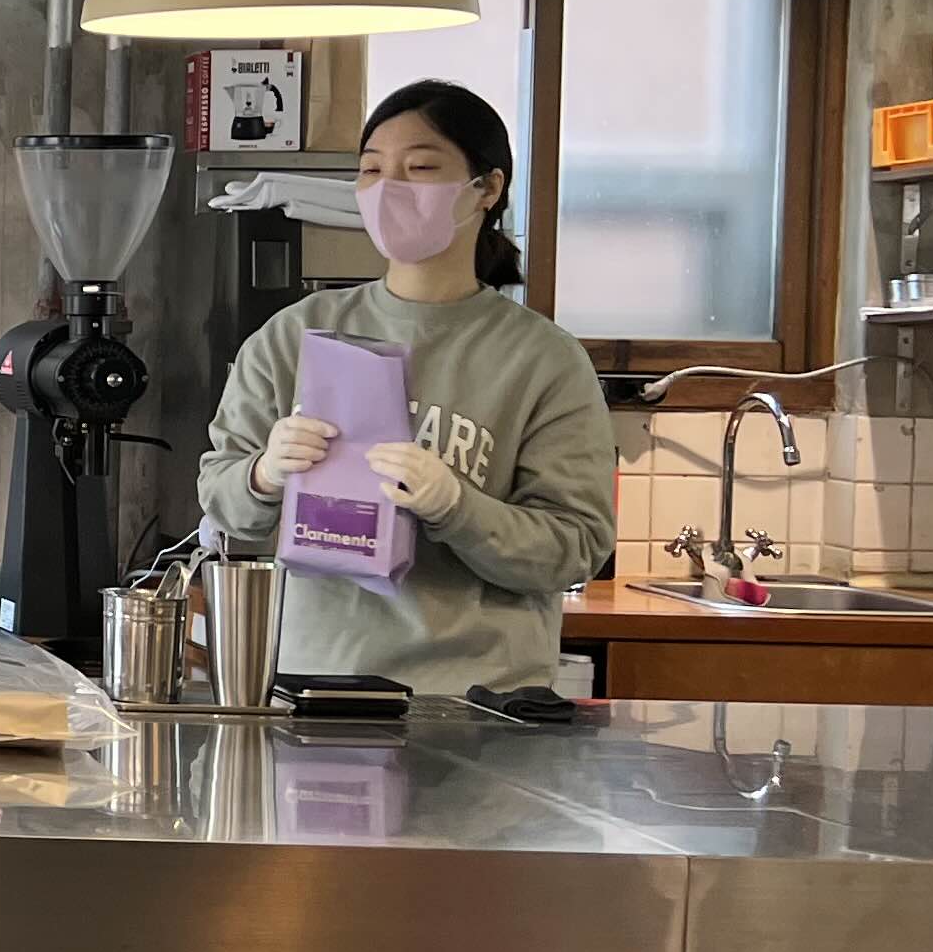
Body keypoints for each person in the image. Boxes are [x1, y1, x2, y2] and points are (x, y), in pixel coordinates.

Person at [194, 80, 617, 697]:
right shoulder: (292, 336)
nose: (389, 188)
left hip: (481, 698)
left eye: (420, 168)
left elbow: (575, 548)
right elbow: (220, 501)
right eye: (372, 170)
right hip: (314, 684)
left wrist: (458, 508)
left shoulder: (544, 360)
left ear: (487, 188)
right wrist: (263, 475)